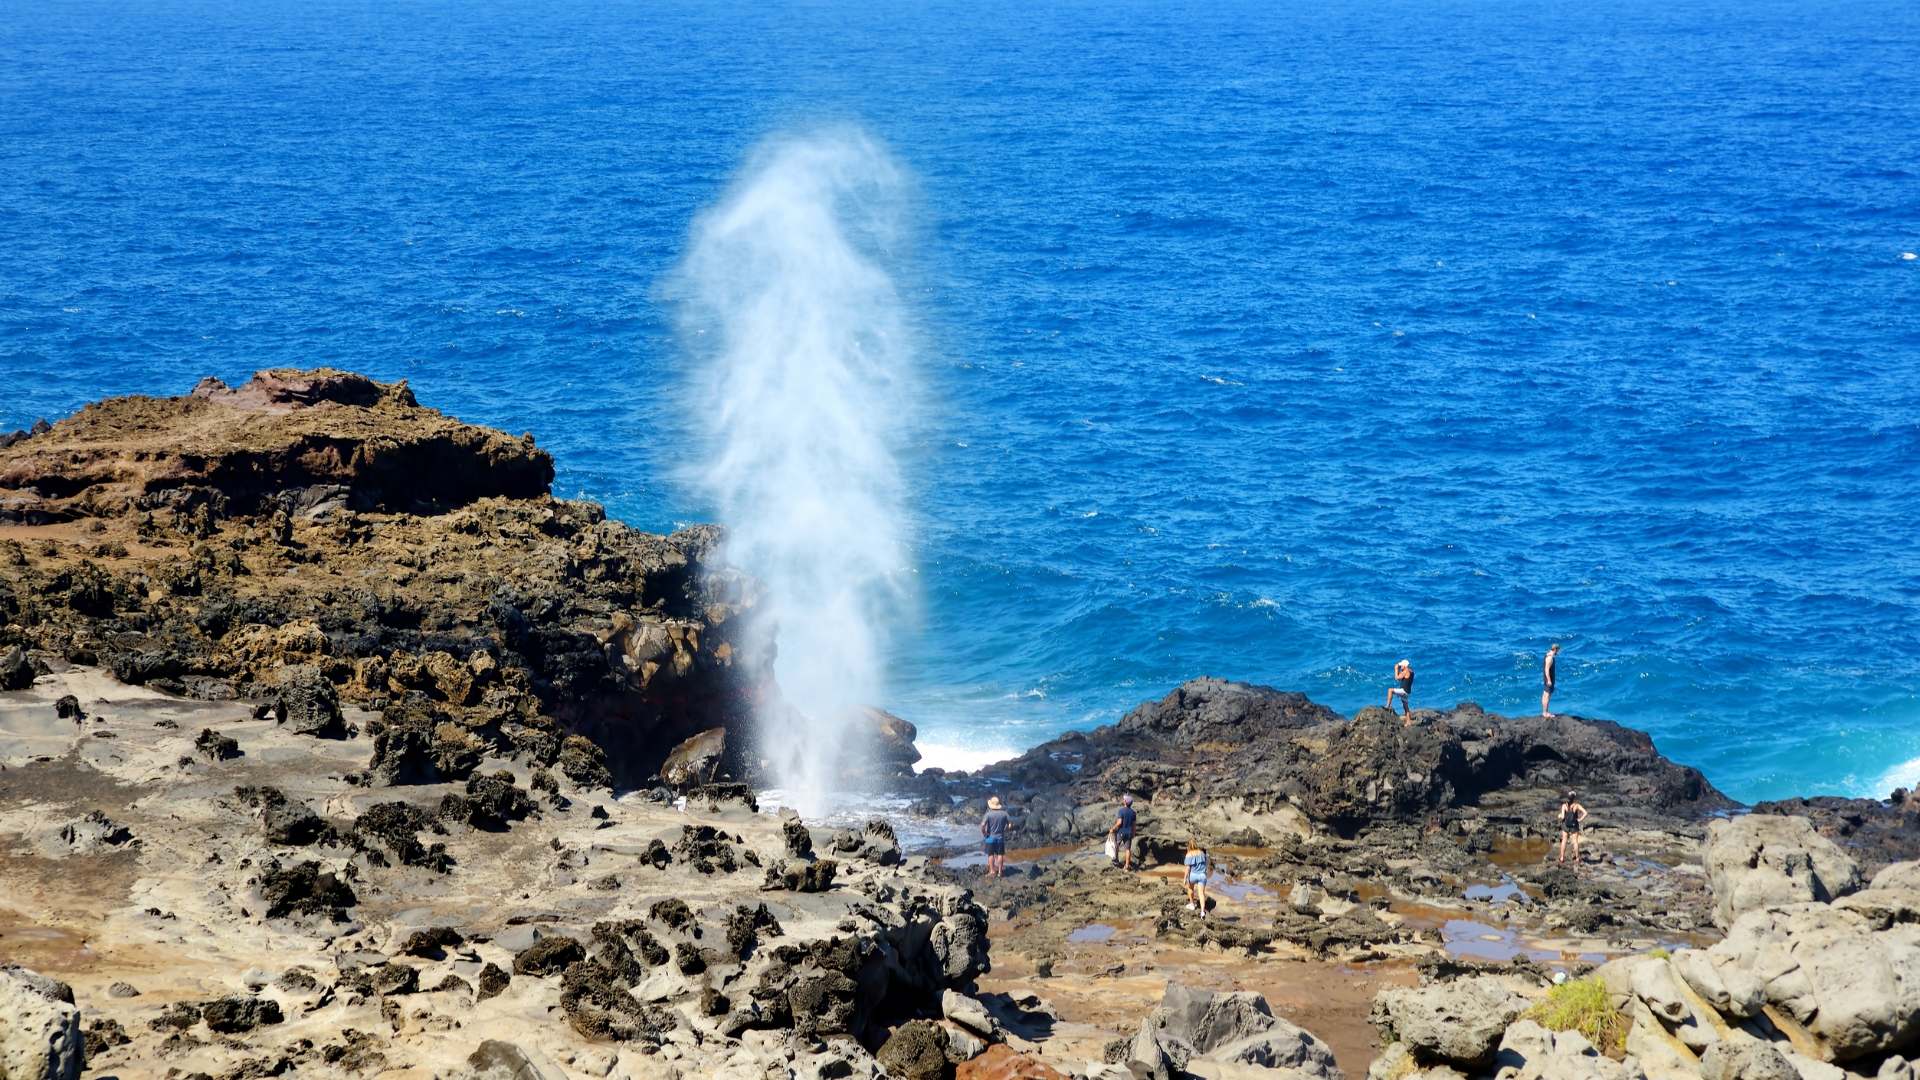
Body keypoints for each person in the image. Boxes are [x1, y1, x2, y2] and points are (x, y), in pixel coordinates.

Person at [981, 796, 1011, 878]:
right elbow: (1010, 824)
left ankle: (992, 871)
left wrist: (984, 832)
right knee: (1000, 854)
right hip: (1000, 838)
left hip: (990, 837)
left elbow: (983, 824)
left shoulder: (988, 814)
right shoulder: (1004, 814)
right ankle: (1000, 872)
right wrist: (1006, 831)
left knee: (991, 854)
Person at [1557, 790, 1588, 864]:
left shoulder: (1564, 805)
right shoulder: (1576, 805)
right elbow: (1585, 813)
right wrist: (1580, 819)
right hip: (1574, 824)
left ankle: (1562, 858)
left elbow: (1563, 817)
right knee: (1575, 841)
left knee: (1564, 840)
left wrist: (1560, 815)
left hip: (1566, 824)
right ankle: (1577, 858)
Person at [1108, 794, 1137, 870]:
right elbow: (1134, 825)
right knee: (1127, 849)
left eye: (1124, 800)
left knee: (1116, 845)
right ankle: (1127, 866)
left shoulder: (1121, 811)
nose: (1123, 800)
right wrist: (1133, 833)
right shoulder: (1133, 813)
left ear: (1125, 802)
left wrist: (1113, 829)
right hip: (1129, 832)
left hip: (1121, 832)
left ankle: (1116, 860)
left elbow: (1119, 822)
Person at [1183, 838, 1210, 916]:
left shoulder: (1188, 855)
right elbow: (1204, 863)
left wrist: (1185, 878)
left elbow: (1188, 868)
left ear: (1188, 846)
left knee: (1190, 888)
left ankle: (1192, 904)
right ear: (1196, 844)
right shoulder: (1201, 852)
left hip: (1193, 875)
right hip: (1202, 875)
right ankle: (1202, 912)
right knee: (1201, 893)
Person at [1541, 643, 1561, 718]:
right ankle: (1545, 712)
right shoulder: (1550, 658)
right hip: (1548, 678)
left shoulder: (1547, 655)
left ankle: (1544, 711)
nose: (1557, 652)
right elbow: (1546, 669)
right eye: (1557, 650)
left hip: (1546, 678)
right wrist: (1549, 680)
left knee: (1545, 694)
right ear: (1555, 650)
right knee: (1547, 695)